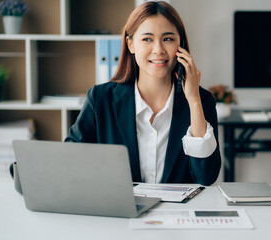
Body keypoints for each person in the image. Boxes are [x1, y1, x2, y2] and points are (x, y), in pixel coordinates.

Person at [65, 1, 221, 186]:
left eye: (168, 39)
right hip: (121, 211)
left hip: (177, 213)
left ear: (181, 45)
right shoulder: (100, 99)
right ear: (130, 44)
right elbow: (70, 163)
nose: (158, 50)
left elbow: (206, 177)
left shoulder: (202, 101)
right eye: (147, 39)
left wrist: (194, 100)